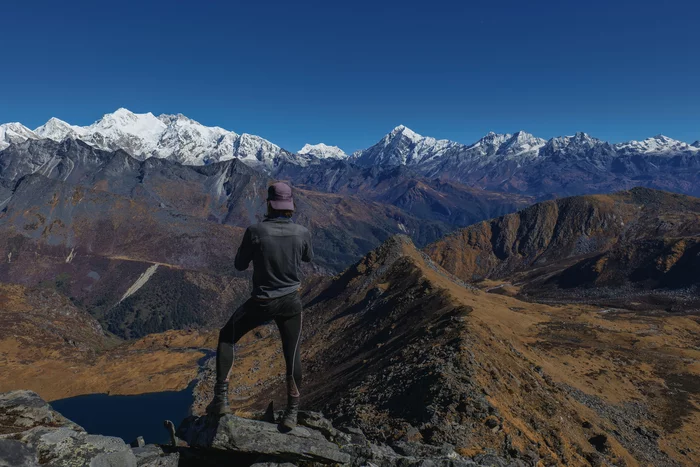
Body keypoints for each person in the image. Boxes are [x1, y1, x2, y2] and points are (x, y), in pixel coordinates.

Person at [206, 182, 313, 431]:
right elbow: (308, 257)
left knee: (227, 337)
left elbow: (240, 265)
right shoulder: (302, 232)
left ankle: (221, 400)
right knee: (292, 353)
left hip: (262, 301)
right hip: (291, 302)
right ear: (290, 206)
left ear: (269, 203)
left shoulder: (255, 231)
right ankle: (291, 413)